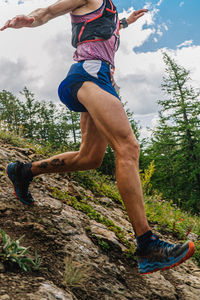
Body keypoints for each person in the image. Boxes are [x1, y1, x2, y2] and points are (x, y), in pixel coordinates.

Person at [1, 0, 195, 275]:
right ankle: (148, 245)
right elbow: (48, 12)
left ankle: (23, 172)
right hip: (88, 73)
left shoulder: (109, 10)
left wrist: (126, 22)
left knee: (90, 157)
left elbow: (106, 27)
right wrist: (30, 19)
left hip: (100, 78)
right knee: (128, 148)